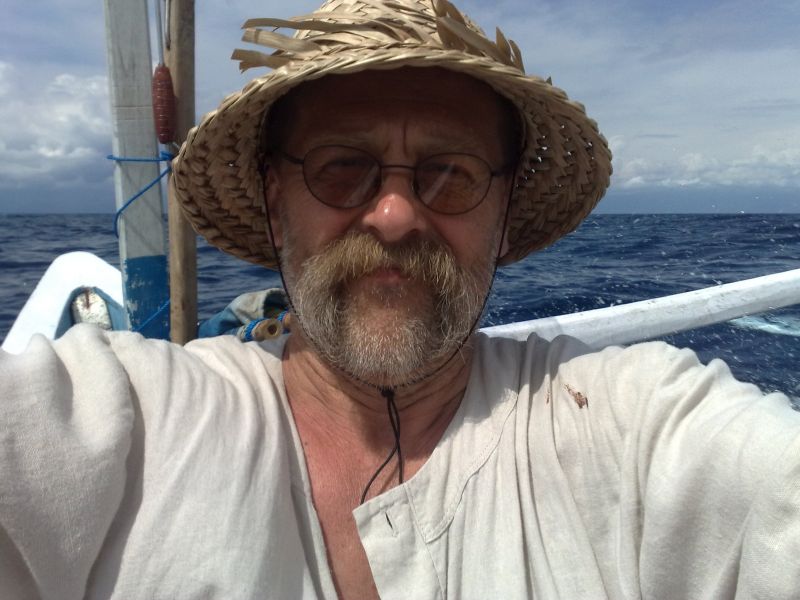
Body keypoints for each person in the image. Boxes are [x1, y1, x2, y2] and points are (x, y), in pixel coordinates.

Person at [1, 1, 798, 598]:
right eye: (341, 168)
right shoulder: (128, 423)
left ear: (503, 213)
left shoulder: (635, 426)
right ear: (278, 202)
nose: (393, 215)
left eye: (451, 173)